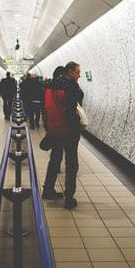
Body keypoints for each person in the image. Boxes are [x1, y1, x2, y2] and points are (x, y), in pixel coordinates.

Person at [41, 62, 84, 209]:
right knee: (72, 164)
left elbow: (45, 109)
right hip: (69, 131)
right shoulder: (70, 87)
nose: (79, 75)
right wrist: (77, 123)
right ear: (70, 72)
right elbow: (71, 111)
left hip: (54, 130)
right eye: (77, 72)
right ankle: (69, 198)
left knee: (55, 159)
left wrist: (48, 127)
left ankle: (48, 189)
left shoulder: (49, 87)